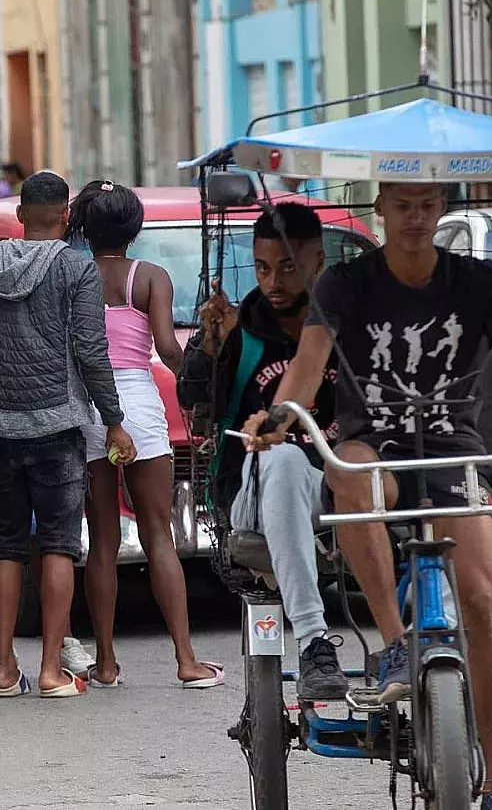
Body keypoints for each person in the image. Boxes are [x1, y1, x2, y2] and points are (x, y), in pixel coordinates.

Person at [239, 182, 492, 810]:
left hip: (455, 452)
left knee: (483, 599)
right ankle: (397, 643)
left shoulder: (480, 282)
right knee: (349, 470)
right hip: (376, 446)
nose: (417, 218)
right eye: (403, 205)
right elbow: (308, 367)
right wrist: (282, 414)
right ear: (382, 209)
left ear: (442, 208)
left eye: (428, 205)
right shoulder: (345, 285)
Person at [0, 171, 132, 699]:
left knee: (5, 544)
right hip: (57, 425)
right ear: (67, 217)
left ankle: (5, 669)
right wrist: (112, 418)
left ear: (21, 216)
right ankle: (53, 670)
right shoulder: (76, 268)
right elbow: (91, 351)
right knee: (56, 543)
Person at [176, 203, 345, 701]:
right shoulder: (242, 327)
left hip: (337, 485)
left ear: (318, 264)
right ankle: (315, 642)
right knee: (285, 459)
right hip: (255, 488)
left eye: (289, 267)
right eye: (263, 268)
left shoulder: (344, 326)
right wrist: (210, 349)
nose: (274, 281)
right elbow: (195, 403)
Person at [62, 180, 221, 689]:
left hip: (85, 404)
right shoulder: (149, 277)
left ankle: (105, 662)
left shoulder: (73, 274)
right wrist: (200, 384)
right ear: (135, 227)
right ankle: (186, 660)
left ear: (84, 226)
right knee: (159, 533)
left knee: (103, 539)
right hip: (138, 401)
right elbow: (168, 352)